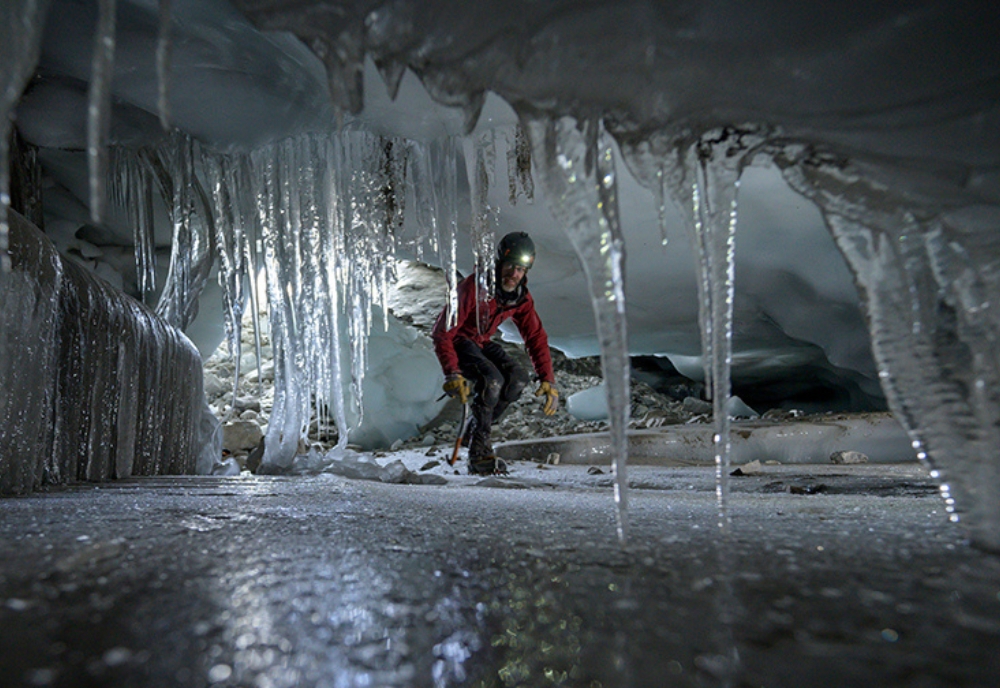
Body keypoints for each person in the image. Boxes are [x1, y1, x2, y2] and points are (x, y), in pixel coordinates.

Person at [432, 232, 559, 475]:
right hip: (460, 340)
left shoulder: (519, 298)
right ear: (500, 263)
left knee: (518, 380)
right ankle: (479, 454)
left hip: (481, 341)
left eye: (521, 269)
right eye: (511, 266)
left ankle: (474, 432)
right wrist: (452, 373)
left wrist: (547, 379)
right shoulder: (473, 286)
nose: (514, 275)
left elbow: (535, 336)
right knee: (492, 380)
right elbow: (442, 331)